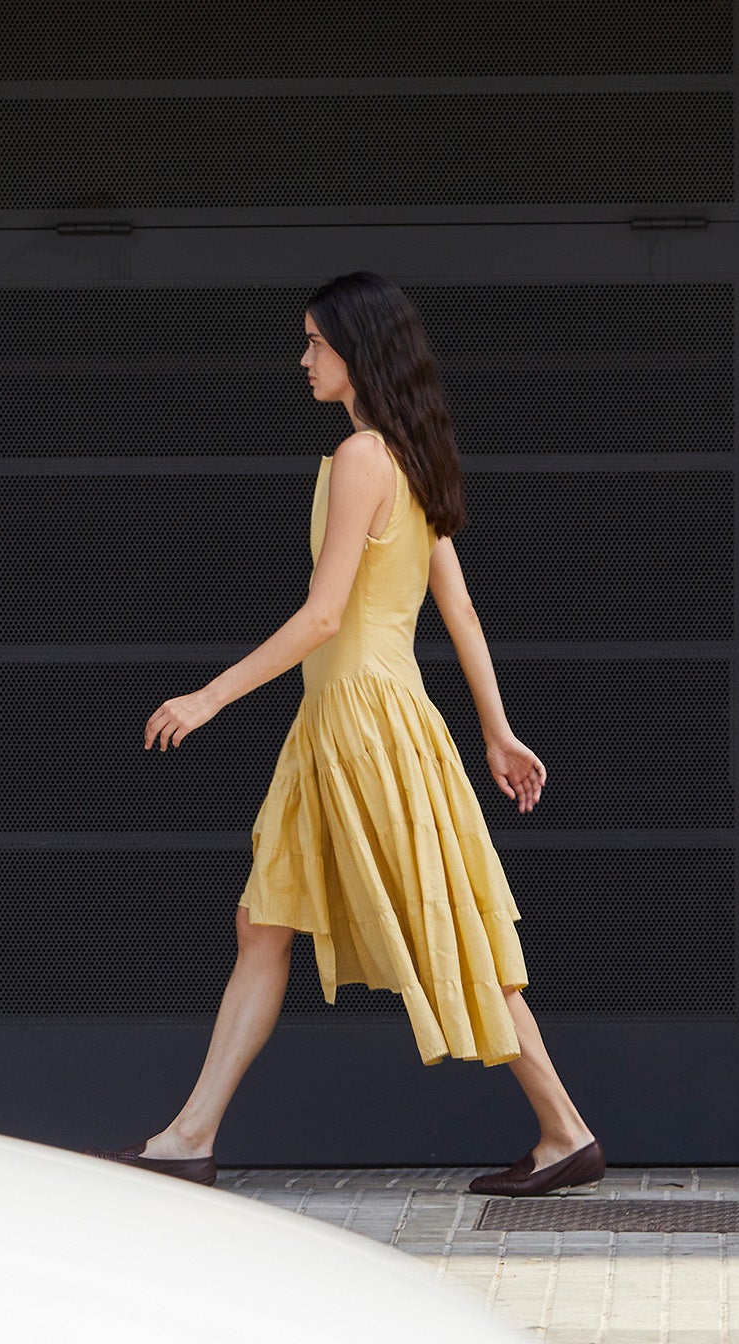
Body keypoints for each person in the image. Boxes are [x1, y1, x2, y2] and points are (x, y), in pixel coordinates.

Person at [97, 270, 601, 1197]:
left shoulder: (366, 458)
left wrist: (208, 697)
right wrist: (495, 730)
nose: (303, 359)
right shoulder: (412, 460)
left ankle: (565, 1130)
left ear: (357, 351)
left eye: (315, 343)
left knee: (445, 928)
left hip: (362, 724)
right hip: (360, 721)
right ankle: (191, 1134)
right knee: (264, 921)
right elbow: (463, 613)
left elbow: (325, 618)